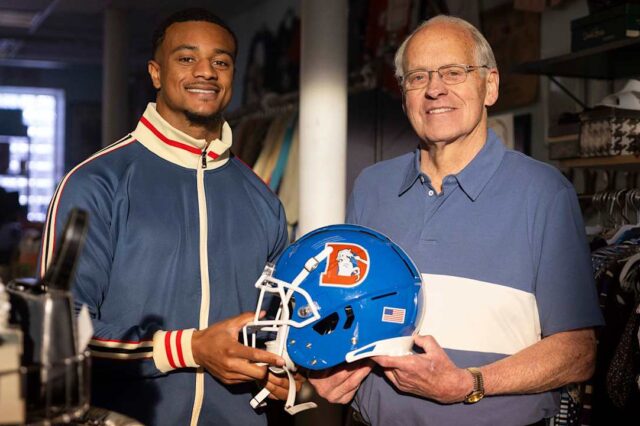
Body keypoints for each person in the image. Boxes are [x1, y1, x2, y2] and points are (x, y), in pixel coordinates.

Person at [308, 15, 604, 426]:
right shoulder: (372, 187)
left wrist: (470, 383)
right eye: (418, 77)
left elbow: (578, 352)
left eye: (454, 72)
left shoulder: (544, 193)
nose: (434, 89)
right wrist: (326, 366)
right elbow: (344, 312)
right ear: (404, 93)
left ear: (491, 85)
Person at [38, 8, 296, 426]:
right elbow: (57, 330)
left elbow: (278, 325)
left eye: (221, 61)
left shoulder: (262, 198)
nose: (206, 72)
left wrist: (286, 374)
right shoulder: (95, 183)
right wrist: (188, 348)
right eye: (187, 58)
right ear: (156, 73)